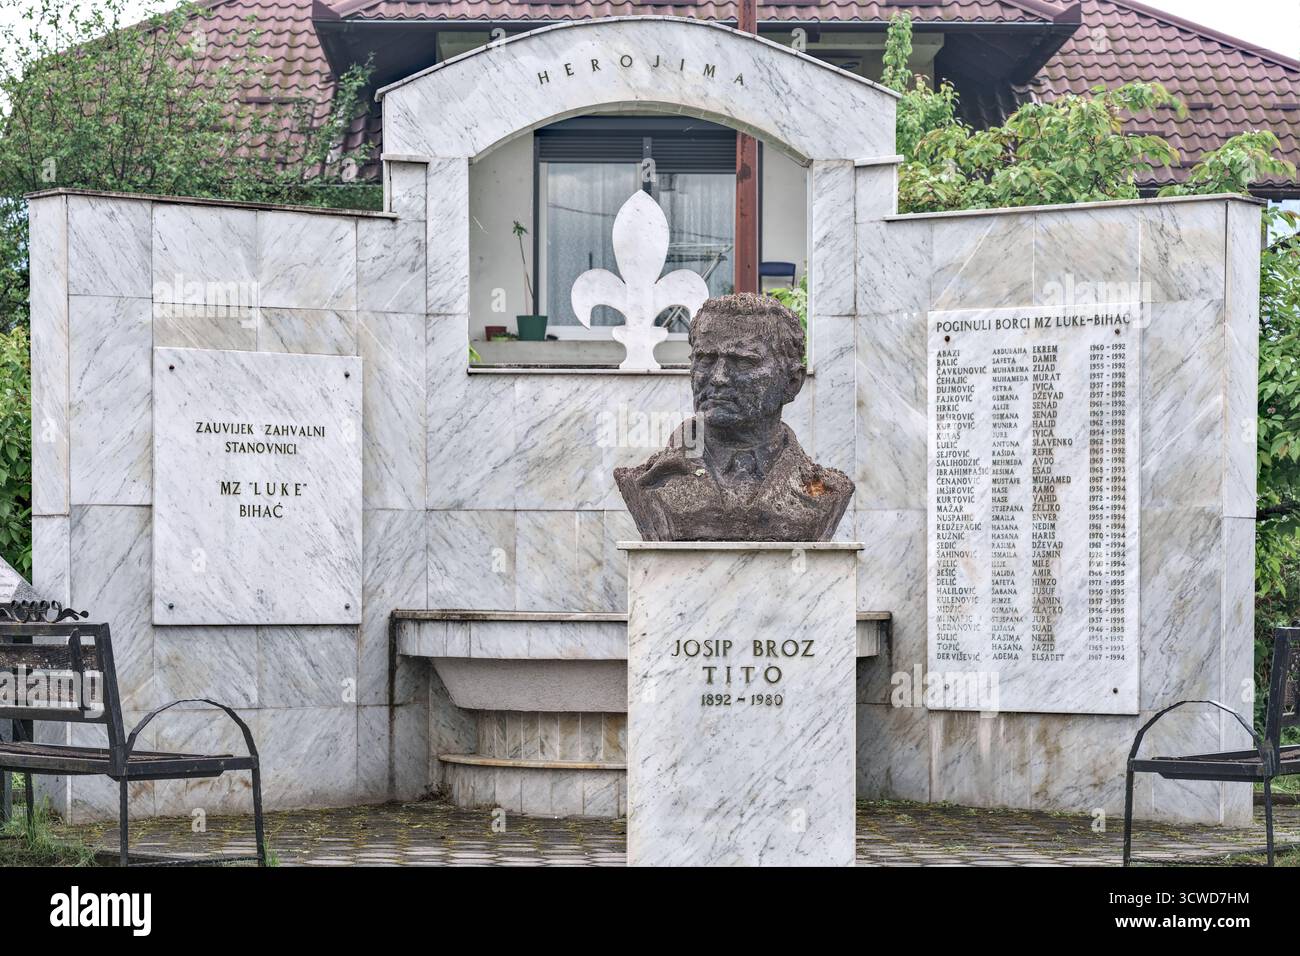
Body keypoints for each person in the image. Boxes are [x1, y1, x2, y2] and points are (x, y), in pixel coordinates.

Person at [615, 292, 854, 541]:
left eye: (742, 362)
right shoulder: (648, 483)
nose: (718, 377)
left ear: (792, 382)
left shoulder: (827, 491)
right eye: (705, 359)